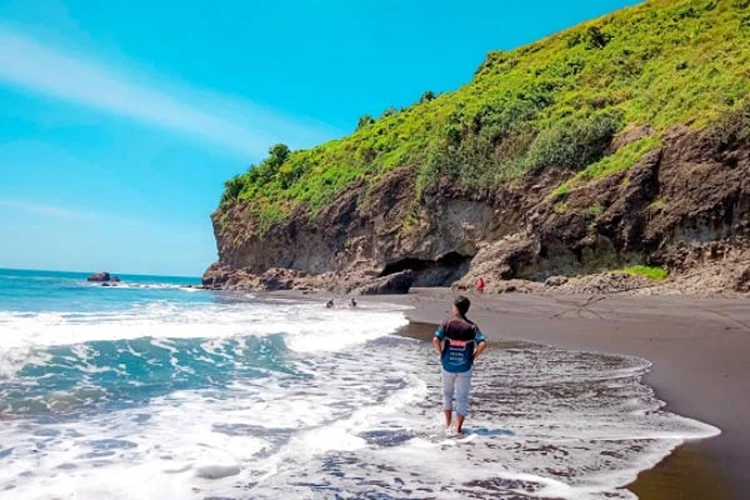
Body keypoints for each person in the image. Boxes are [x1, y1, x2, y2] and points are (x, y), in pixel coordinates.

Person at [432, 295, 487, 435]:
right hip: (465, 367)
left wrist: (441, 354)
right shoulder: (472, 326)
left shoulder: (447, 323)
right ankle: (457, 430)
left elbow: (436, 340)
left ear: (455, 308)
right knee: (462, 397)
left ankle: (448, 425)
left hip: (447, 365)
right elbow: (482, 343)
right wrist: (474, 356)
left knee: (447, 395)